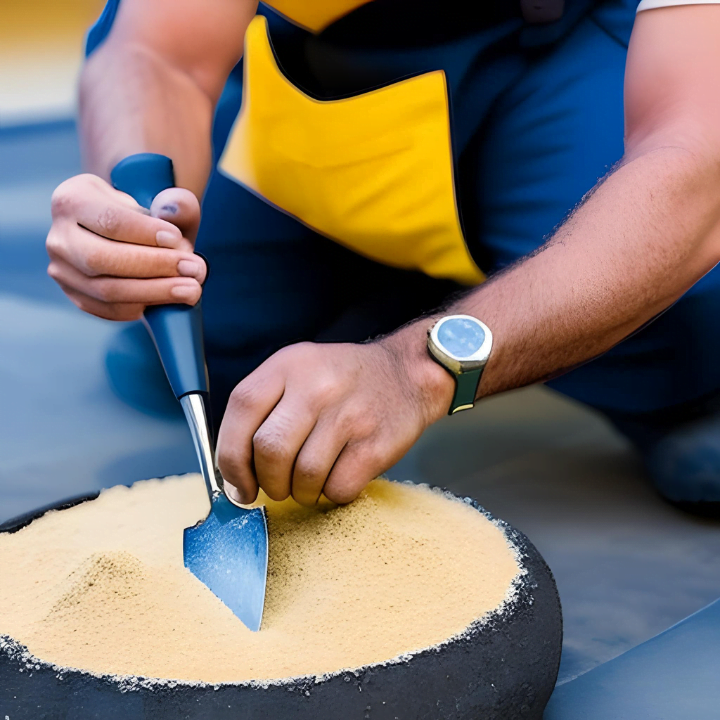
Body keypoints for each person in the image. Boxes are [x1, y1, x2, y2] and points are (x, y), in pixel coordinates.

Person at [46, 0, 720, 514]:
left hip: (563, 65)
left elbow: (695, 165)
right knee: (221, 345)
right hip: (335, 80)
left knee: (682, 336)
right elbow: (160, 51)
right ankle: (408, 282)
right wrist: (138, 228)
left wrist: (417, 371)